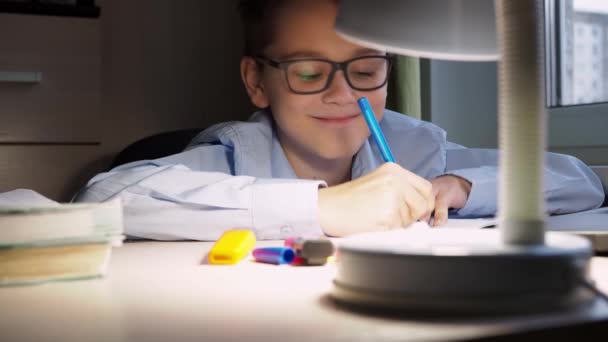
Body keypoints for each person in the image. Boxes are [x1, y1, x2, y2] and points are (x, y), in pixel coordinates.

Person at [75, 0, 604, 240]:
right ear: (257, 81)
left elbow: (577, 181)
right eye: (308, 72)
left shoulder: (414, 149)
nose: (342, 93)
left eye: (367, 69)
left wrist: (458, 186)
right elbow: (100, 199)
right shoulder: (236, 157)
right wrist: (321, 207)